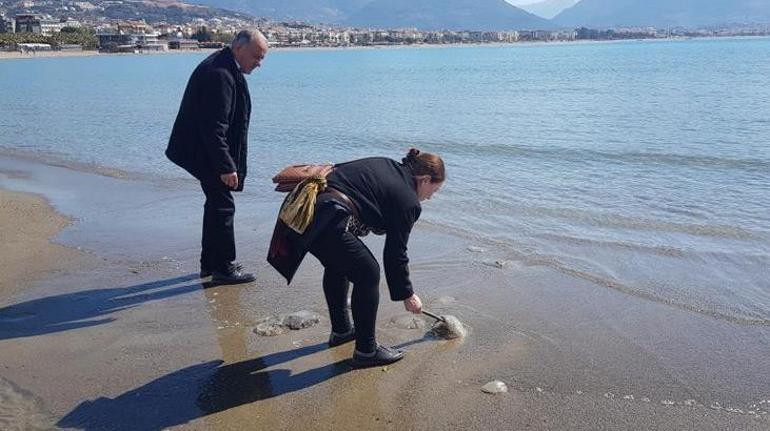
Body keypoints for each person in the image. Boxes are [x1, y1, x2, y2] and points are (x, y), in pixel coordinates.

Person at [268, 149, 445, 367]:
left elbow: (342, 174)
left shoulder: (386, 164)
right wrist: (407, 294)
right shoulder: (408, 201)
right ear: (425, 179)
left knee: (339, 265)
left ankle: (342, 331)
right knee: (368, 273)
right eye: (433, 191)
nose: (429, 197)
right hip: (324, 215)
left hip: (307, 209)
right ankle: (366, 352)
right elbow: (395, 253)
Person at [166, 30, 268, 285]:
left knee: (216, 203)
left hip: (200, 147)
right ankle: (223, 267)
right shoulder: (219, 74)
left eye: (262, 57)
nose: (259, 63)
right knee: (223, 205)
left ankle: (210, 264)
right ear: (239, 48)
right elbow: (214, 127)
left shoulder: (225, 66)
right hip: (202, 150)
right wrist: (226, 166)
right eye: (256, 56)